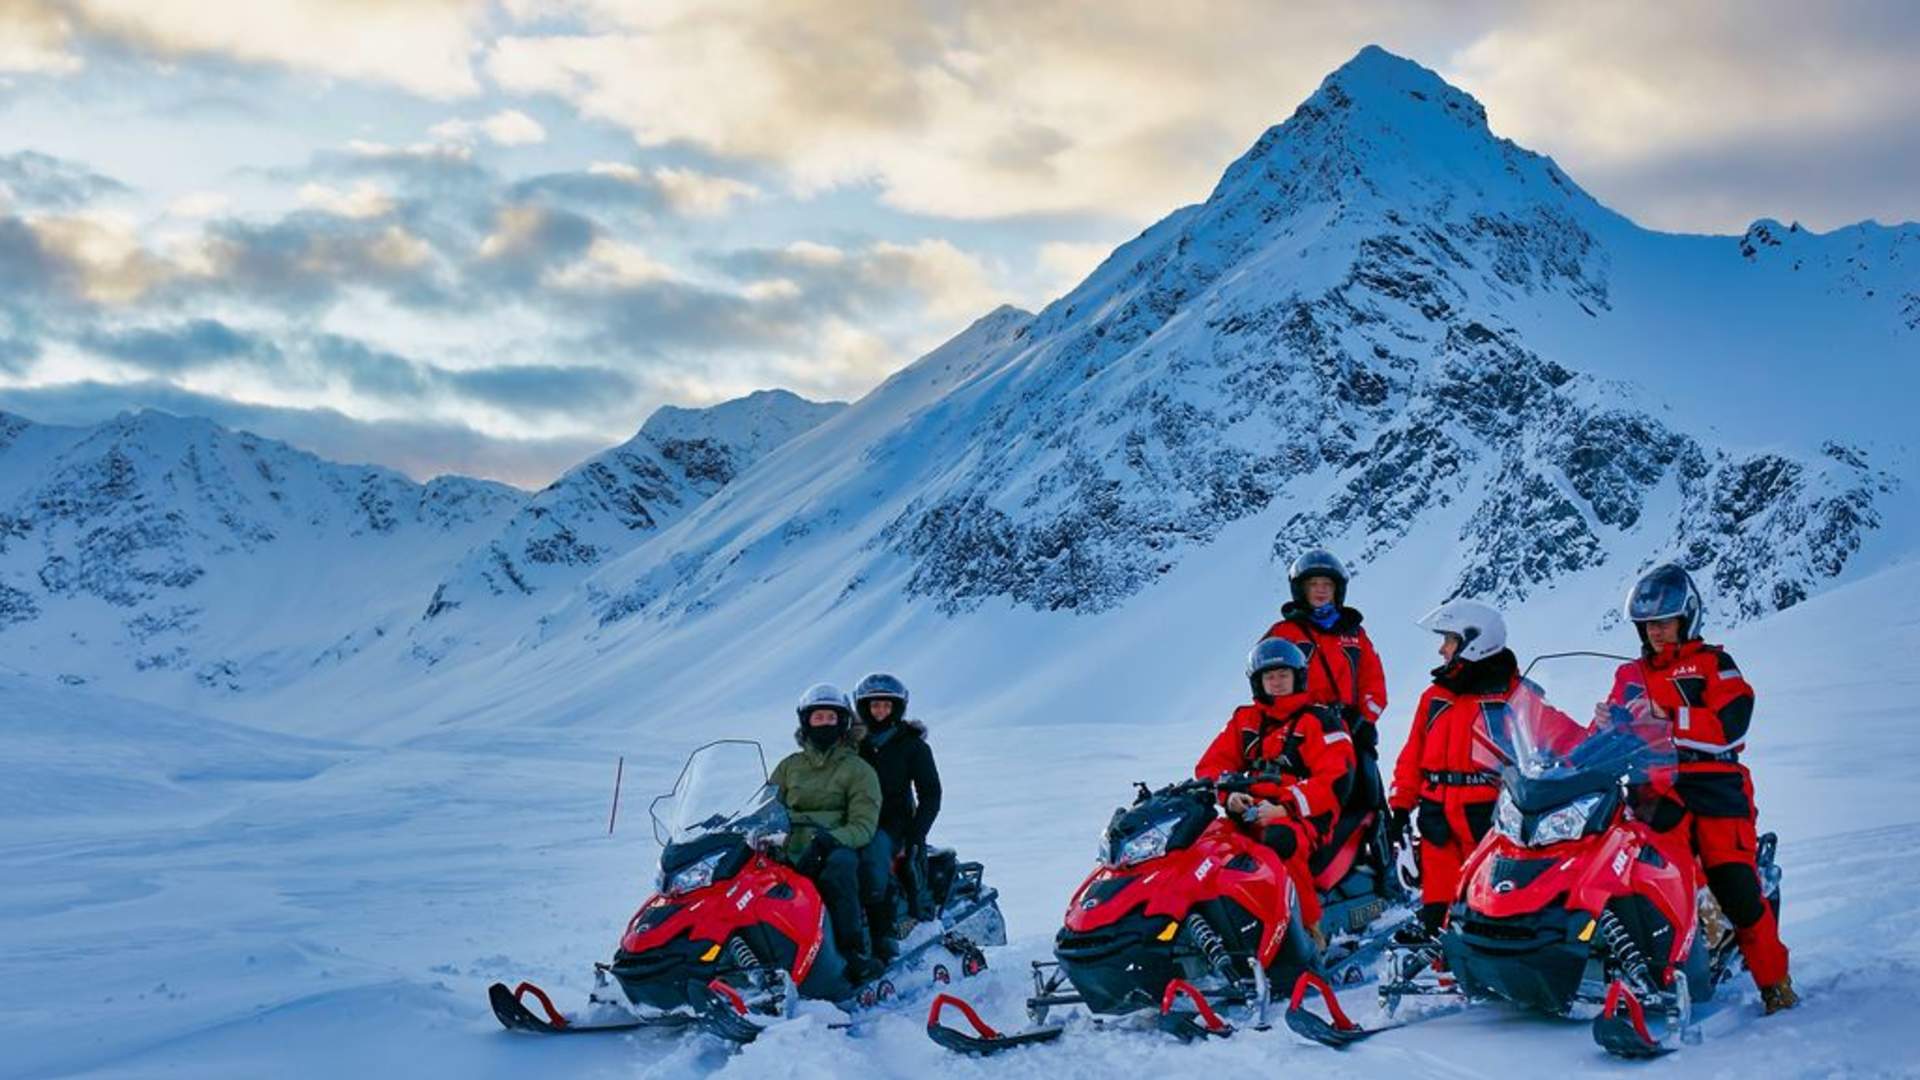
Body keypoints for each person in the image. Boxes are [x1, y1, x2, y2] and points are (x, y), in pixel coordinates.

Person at [1604, 564, 1796, 1014]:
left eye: (1664, 622)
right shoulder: (1630, 675)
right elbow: (1615, 731)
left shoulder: (1713, 664)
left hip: (1713, 788)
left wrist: (1668, 717)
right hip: (1653, 792)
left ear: (1686, 618)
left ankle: (1775, 984)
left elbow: (1731, 725)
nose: (1655, 632)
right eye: (1648, 624)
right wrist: (1606, 726)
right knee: (1634, 878)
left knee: (1735, 885)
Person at [1388, 599, 1579, 941]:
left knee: (1490, 909)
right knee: (1439, 913)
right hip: (1436, 818)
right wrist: (1400, 808)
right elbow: (1412, 756)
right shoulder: (1435, 697)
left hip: (1489, 819)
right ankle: (1441, 964)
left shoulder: (1513, 696)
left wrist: (1611, 739)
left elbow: (1566, 738)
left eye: (1449, 640)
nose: (1442, 649)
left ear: (1474, 642)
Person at [1195, 637, 1357, 938]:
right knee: (1208, 844)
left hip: (1306, 815)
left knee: (1280, 841)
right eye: (1269, 677)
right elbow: (1211, 765)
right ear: (1258, 682)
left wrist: (1285, 807)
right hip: (1252, 810)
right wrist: (1230, 795)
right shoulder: (1245, 720)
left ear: (1298, 677)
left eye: (1284, 675)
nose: (1277, 683)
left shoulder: (1319, 720)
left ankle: (1308, 931)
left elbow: (1336, 778)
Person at [770, 683, 886, 983]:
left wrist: (829, 841)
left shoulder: (858, 770)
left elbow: (863, 824)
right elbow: (767, 805)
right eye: (818, 717)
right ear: (806, 721)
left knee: (839, 869)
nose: (824, 723)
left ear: (843, 722)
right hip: (788, 846)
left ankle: (851, 952)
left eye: (831, 717)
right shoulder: (789, 767)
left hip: (834, 846)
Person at [852, 672, 942, 958]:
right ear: (863, 708)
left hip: (893, 824)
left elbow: (931, 793)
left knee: (874, 853)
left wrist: (916, 833)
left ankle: (883, 932)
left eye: (886, 705)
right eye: (874, 705)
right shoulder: (853, 745)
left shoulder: (912, 745)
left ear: (897, 708)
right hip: (853, 819)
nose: (880, 711)